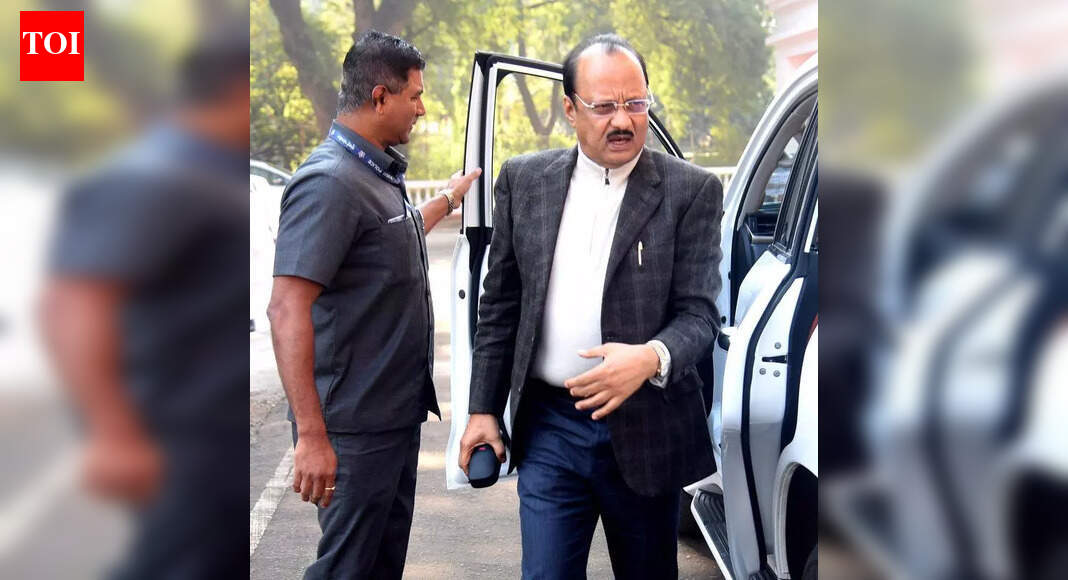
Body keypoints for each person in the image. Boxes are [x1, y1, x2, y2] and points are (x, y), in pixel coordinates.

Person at [458, 34, 721, 578]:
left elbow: (699, 315)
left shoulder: (690, 191)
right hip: (551, 427)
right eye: (604, 107)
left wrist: (650, 358)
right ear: (570, 109)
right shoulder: (524, 181)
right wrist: (482, 409)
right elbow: (500, 305)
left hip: (647, 426)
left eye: (636, 103)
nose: (622, 121)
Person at [268, 30, 480, 579]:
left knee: (379, 567)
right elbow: (286, 309)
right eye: (415, 96)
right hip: (353, 431)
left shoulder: (371, 172)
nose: (422, 108)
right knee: (348, 569)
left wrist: (450, 197)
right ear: (381, 97)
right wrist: (312, 437)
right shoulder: (329, 182)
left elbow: (393, 236)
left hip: (391, 420)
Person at [40, 31, 250, 579]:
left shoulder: (209, 170)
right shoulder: (158, 173)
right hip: (183, 444)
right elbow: (76, 300)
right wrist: (112, 433)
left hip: (217, 440)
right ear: (237, 88)